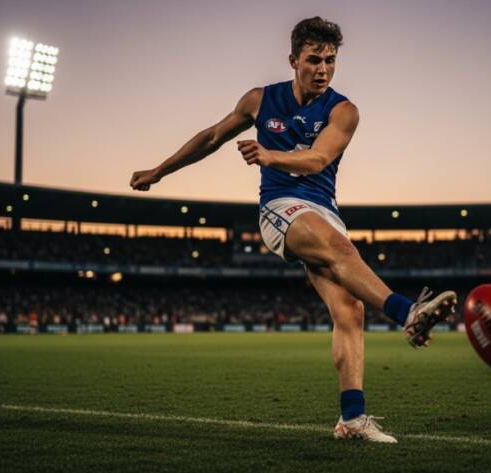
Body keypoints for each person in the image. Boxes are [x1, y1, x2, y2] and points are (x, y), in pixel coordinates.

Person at [130, 16, 457, 443]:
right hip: (280, 209)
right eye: (314, 60)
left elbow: (318, 160)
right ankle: (406, 312)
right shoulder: (260, 100)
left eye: (331, 60)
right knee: (340, 250)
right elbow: (210, 137)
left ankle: (352, 420)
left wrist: (270, 155)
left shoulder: (344, 110)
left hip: (324, 212)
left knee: (350, 310)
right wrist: (159, 170)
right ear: (293, 60)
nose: (323, 69)